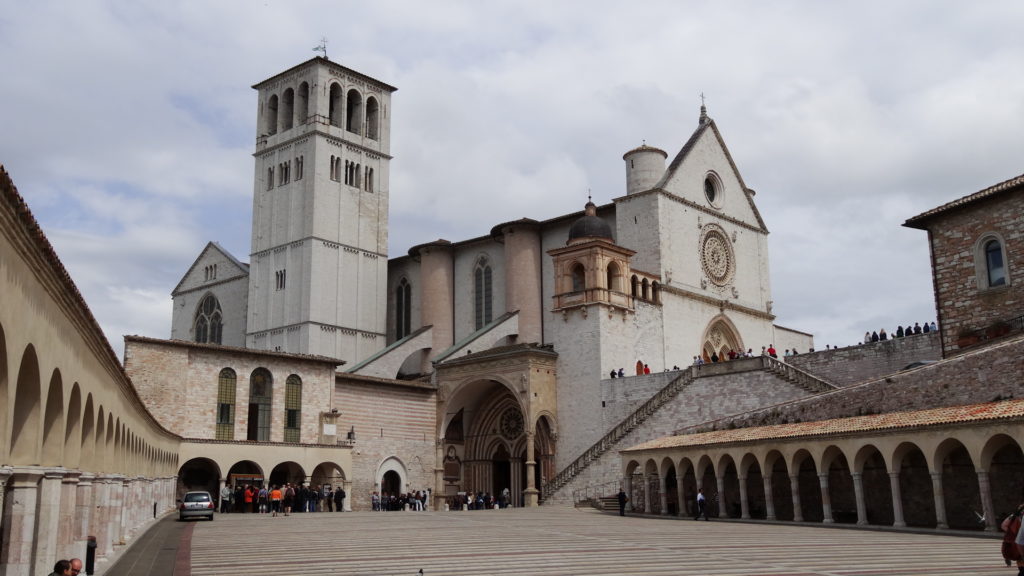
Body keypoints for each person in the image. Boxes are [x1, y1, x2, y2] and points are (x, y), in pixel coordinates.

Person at [1001, 504, 1024, 573]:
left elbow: (1003, 525)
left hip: (1016, 545)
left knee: (1020, 562)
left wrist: (1013, 534)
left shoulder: (1014, 515)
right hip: (1021, 543)